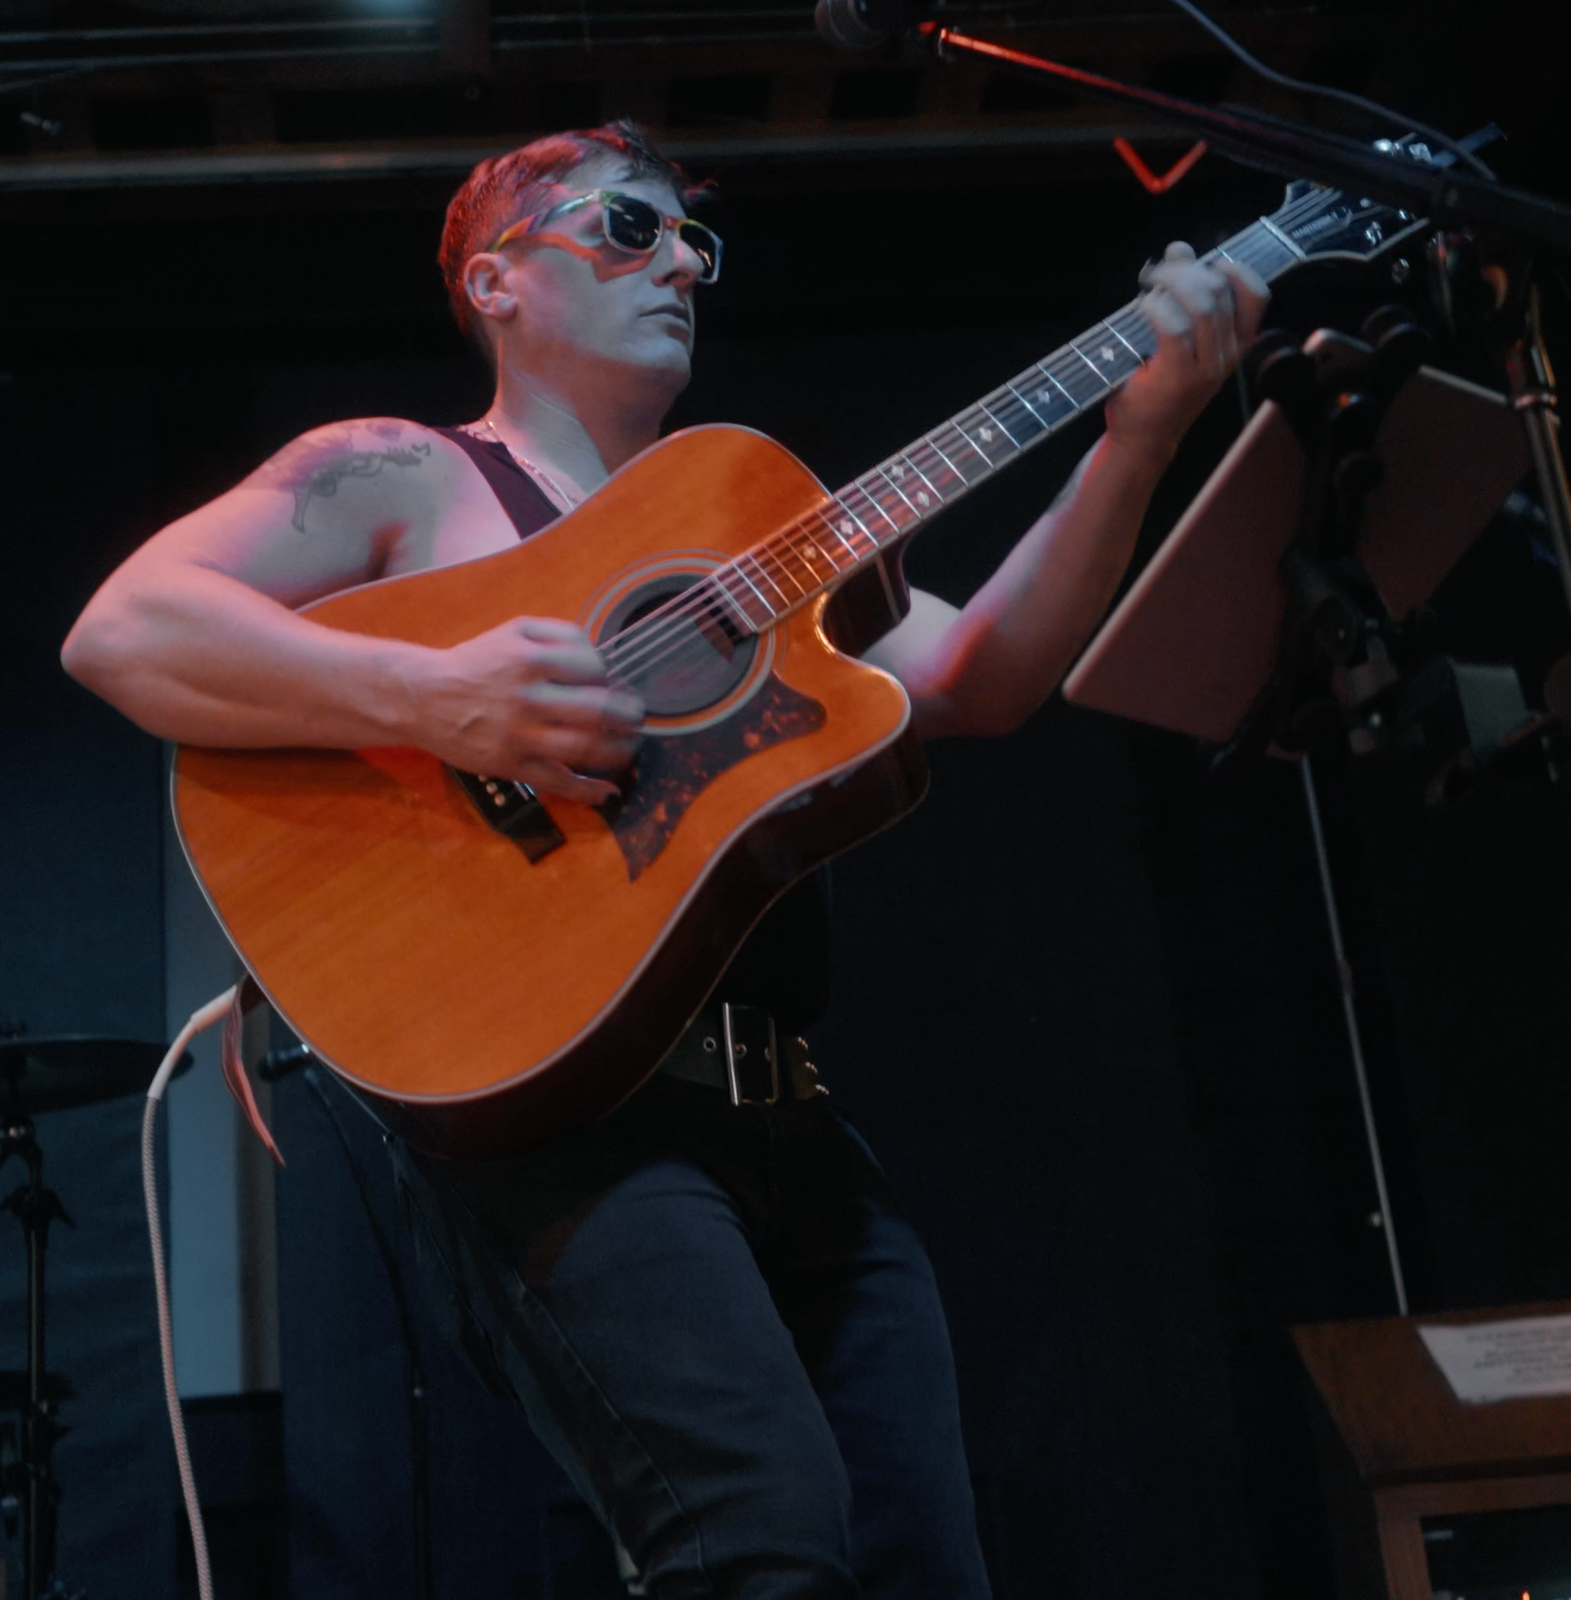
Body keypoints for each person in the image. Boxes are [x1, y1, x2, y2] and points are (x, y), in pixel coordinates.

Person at [63, 121, 1266, 1599]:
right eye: (628, 229)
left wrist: (1140, 438)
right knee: (759, 1539)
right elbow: (126, 630)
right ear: (496, 282)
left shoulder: (750, 522)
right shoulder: (402, 473)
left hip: (787, 1109)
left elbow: (981, 678)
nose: (682, 264)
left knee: (923, 1562)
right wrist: (433, 695)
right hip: (563, 1117)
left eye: (694, 242)